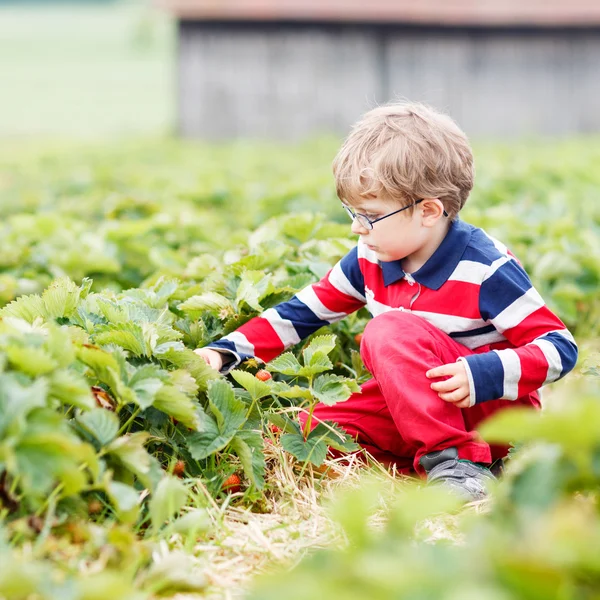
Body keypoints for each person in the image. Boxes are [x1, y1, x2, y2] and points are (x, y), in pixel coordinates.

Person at [194, 102, 578, 501]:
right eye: (353, 212)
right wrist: (224, 353)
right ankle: (443, 466)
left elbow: (560, 348)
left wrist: (480, 373)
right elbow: (300, 314)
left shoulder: (484, 268)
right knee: (310, 433)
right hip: (420, 408)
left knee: (389, 329)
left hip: (491, 411)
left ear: (428, 211)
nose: (356, 227)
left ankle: (458, 464)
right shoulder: (369, 259)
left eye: (370, 214)